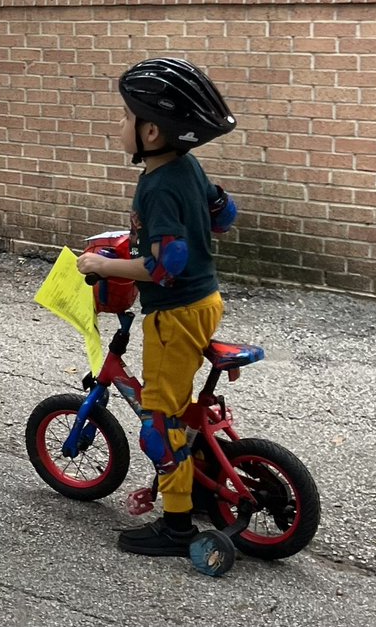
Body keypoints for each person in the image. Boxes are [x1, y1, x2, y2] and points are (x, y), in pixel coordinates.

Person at [75, 57, 238, 558]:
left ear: (151, 129)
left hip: (174, 312)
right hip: (207, 299)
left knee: (159, 422)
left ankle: (177, 522)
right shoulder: (185, 167)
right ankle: (203, 477)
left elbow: (166, 263)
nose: (119, 126)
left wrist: (102, 268)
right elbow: (221, 215)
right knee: (179, 403)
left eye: (126, 118)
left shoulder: (156, 184)